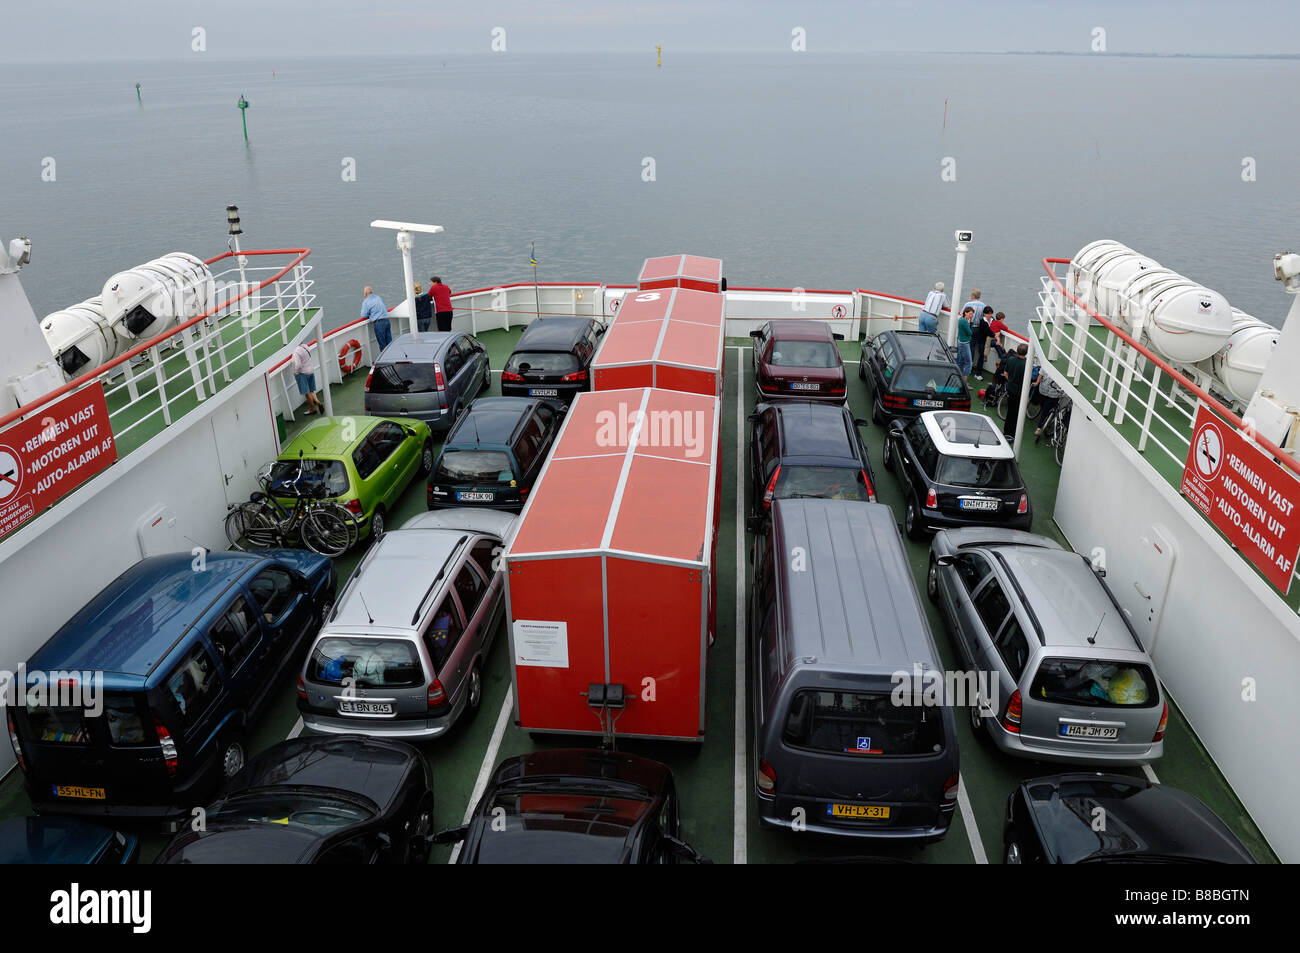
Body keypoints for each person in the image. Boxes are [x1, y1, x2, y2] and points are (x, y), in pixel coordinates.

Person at [1002, 343, 1029, 439]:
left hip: (1010, 389)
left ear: (1017, 351)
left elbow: (1005, 373)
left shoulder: (1011, 359)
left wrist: (1010, 381)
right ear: (1026, 353)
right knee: (1016, 413)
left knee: (1010, 411)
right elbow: (1026, 382)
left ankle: (1006, 431)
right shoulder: (1026, 365)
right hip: (1019, 392)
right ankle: (1011, 434)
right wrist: (1027, 397)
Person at [291, 341, 322, 415]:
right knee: (311, 391)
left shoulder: (296, 352)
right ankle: (318, 402)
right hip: (310, 371)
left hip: (303, 374)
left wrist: (296, 373)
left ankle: (313, 409)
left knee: (307, 393)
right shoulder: (305, 346)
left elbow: (298, 365)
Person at [361, 285, 391, 352]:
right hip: (386, 321)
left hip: (379, 323)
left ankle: (386, 361)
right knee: (389, 343)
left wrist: (370, 314)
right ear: (372, 292)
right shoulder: (378, 297)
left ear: (365, 294)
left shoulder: (366, 301)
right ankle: (393, 358)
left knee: (382, 345)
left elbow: (363, 315)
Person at [1035, 370, 1064, 436]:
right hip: (1043, 391)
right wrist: (1037, 382)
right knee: (1043, 407)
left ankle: (1039, 427)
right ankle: (1046, 419)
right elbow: (1041, 374)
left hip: (1054, 394)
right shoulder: (1046, 365)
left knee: (1045, 410)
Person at [971, 305, 995, 380]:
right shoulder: (982, 321)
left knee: (999, 348)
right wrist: (995, 335)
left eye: (991, 314)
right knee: (981, 356)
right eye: (989, 314)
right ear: (984, 314)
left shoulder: (992, 320)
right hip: (982, 341)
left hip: (990, 340)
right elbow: (988, 331)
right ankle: (978, 373)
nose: (990, 315)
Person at [955, 306, 974, 381]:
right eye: (970, 314)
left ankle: (958, 379)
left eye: (972, 314)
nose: (971, 316)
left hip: (961, 342)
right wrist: (971, 322)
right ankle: (965, 383)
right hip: (964, 343)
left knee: (960, 362)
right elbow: (970, 333)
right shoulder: (964, 321)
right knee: (969, 363)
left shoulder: (961, 320)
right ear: (965, 312)